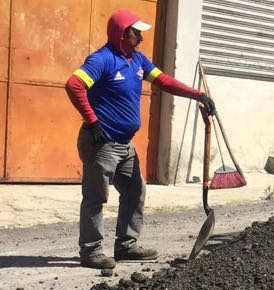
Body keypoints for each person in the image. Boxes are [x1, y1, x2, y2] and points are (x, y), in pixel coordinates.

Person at [66, 9, 216, 269]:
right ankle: (90, 252)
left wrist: (197, 95)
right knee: (96, 197)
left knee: (135, 190)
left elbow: (164, 81)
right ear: (122, 34)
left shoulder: (137, 60)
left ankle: (126, 245)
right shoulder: (103, 59)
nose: (141, 38)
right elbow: (74, 84)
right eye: (137, 33)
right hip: (103, 142)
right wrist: (92, 121)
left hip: (125, 143)